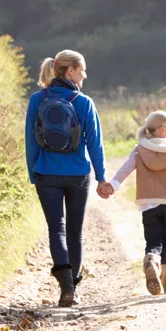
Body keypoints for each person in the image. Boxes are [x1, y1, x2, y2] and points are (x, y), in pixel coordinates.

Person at [25, 50, 107, 307]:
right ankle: (73, 285)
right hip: (77, 175)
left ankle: (66, 287)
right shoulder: (84, 102)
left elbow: (30, 141)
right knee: (75, 231)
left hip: (46, 174)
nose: (85, 74)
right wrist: (101, 177)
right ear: (70, 71)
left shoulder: (37, 100)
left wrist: (33, 172)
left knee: (56, 229)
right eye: (82, 69)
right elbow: (95, 144)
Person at [104, 110, 166, 295]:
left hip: (148, 204)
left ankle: (151, 259)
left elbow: (124, 170)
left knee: (153, 240)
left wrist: (112, 186)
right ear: (161, 131)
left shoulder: (138, 151)